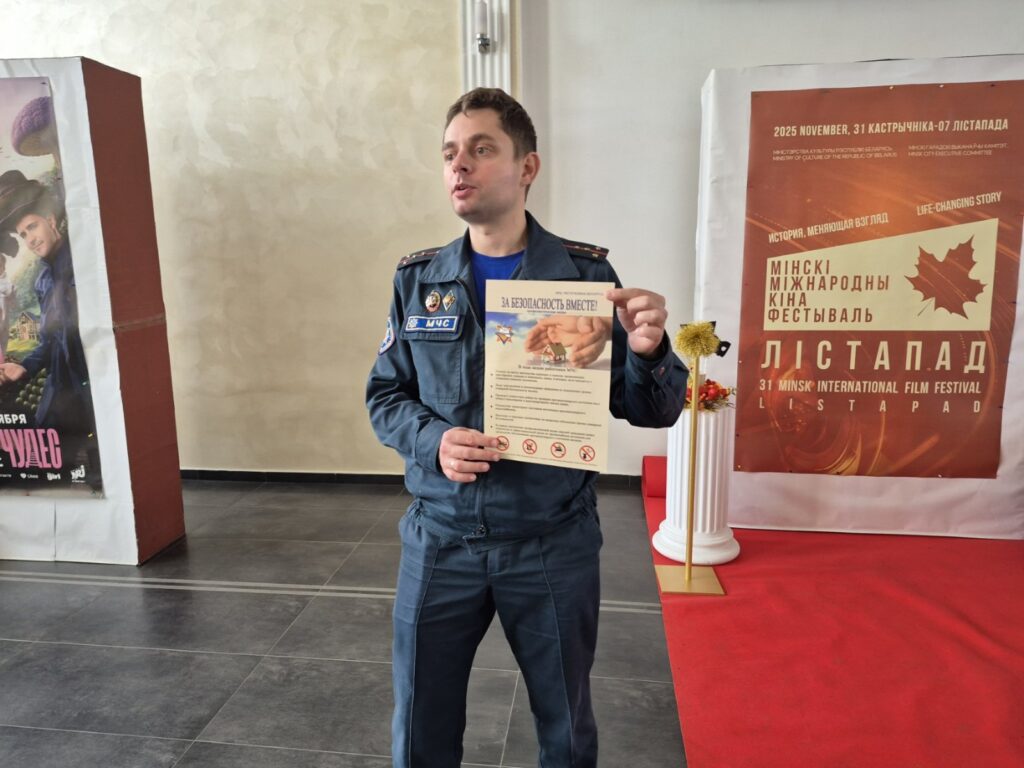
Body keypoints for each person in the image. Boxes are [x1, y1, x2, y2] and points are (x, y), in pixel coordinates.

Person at [366, 88, 688, 768]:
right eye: (450, 153)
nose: (460, 165)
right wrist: (433, 441)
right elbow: (385, 395)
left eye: (482, 149)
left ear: (527, 167)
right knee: (419, 727)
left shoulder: (582, 278)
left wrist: (651, 353)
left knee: (564, 727)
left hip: (550, 542)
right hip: (441, 539)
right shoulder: (419, 280)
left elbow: (652, 410)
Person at [0, 170, 100, 480]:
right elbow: (48, 340)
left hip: (94, 378)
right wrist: (24, 367)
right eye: (23, 234)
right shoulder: (42, 281)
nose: (29, 239)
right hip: (62, 380)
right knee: (44, 453)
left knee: (103, 460)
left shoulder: (85, 261)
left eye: (32, 227)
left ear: (51, 220)